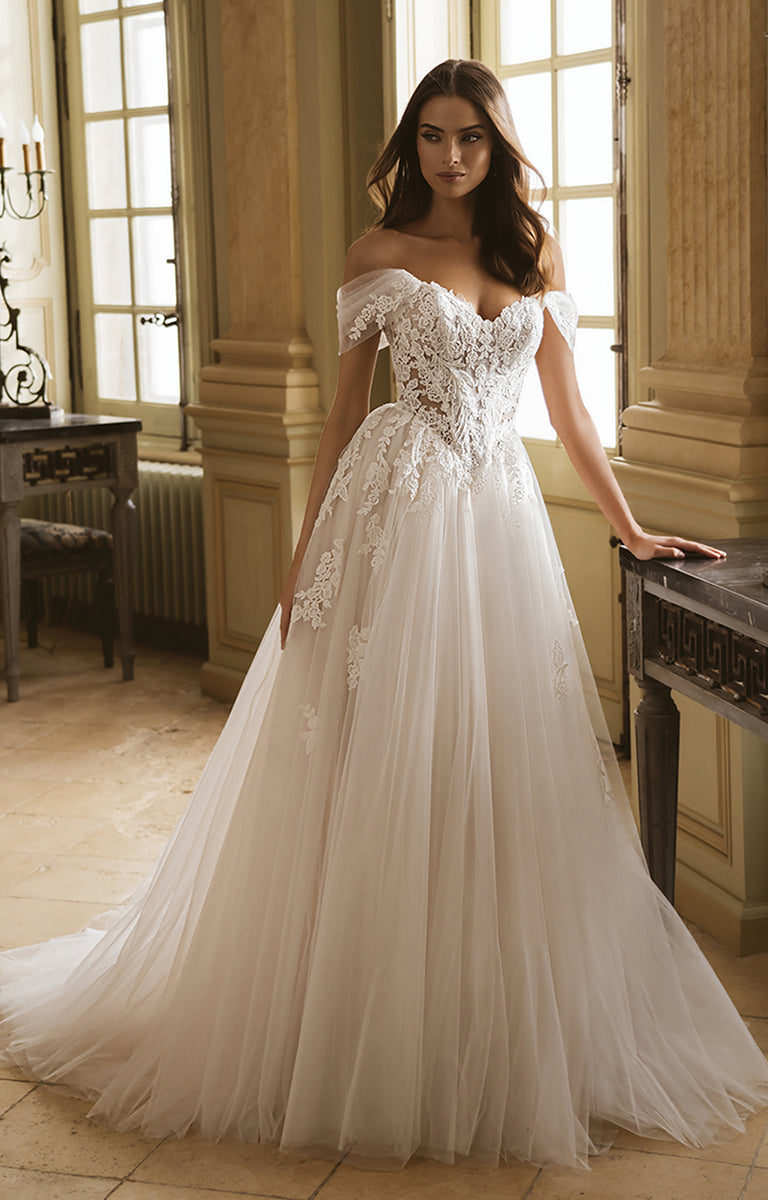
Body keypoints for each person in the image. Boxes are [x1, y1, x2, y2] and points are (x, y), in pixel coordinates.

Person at [1, 58, 767, 1172]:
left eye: (470, 138)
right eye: (432, 137)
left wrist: (631, 527)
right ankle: (356, 1001)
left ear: (498, 148)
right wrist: (305, 559)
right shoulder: (380, 256)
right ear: (410, 146)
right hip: (397, 511)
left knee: (496, 763)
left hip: (497, 518)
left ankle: (481, 1006)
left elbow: (568, 408)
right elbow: (343, 411)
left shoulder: (534, 251)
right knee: (380, 750)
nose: (450, 156)